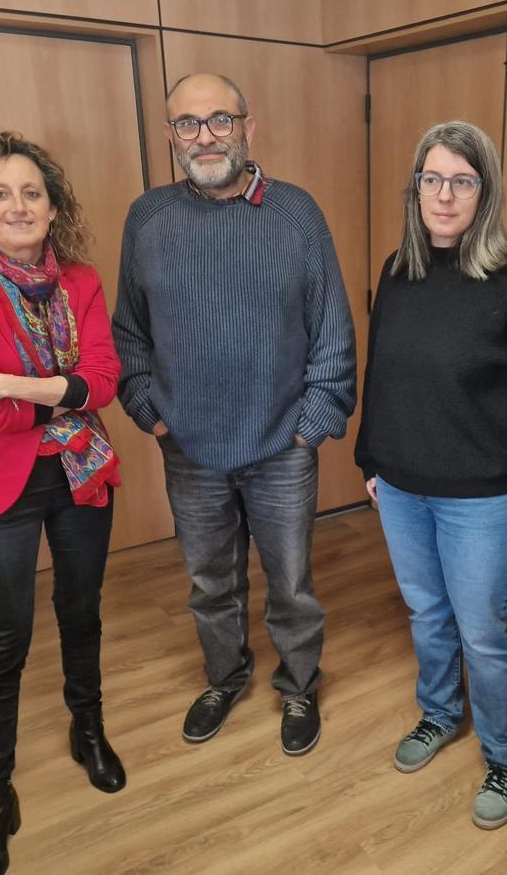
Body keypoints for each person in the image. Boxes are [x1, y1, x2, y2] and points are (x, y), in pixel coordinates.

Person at [113, 73, 356, 757]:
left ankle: (300, 683)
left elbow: (333, 336)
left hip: (281, 447)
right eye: (188, 124)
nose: (205, 135)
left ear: (250, 127)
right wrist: (149, 411)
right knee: (209, 583)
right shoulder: (148, 218)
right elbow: (128, 333)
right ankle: (224, 675)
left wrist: (310, 428)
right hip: (189, 447)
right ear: (170, 139)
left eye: (220, 119)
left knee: (291, 584)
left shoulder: (296, 214)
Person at [355, 121, 507, 830]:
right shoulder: (400, 270)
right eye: (432, 179)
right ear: (415, 188)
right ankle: (440, 715)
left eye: (462, 180)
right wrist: (371, 459)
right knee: (426, 613)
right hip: (400, 484)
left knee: (483, 631)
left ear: (485, 193)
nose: (444, 195)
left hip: (485, 494)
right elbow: (384, 373)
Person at [0, 133, 126, 875]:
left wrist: (8, 382)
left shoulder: (83, 282)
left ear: (52, 206)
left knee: (82, 614)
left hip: (80, 477)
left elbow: (103, 381)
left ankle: (89, 730)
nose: (18, 206)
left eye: (32, 192)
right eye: (0, 194)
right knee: (3, 645)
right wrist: (52, 394)